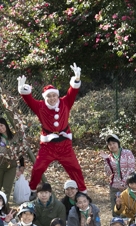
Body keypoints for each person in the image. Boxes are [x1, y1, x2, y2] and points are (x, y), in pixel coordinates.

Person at [18, 63, 87, 199]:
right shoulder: (40, 106)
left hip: (64, 144)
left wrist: (76, 79)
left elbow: (72, 91)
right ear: (45, 97)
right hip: (48, 145)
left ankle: (82, 191)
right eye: (48, 96)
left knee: (75, 168)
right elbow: (28, 99)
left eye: (54, 96)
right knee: (38, 168)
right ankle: (32, 190)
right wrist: (23, 90)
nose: (52, 98)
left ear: (57, 96)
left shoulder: (65, 102)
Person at [100, 133, 136, 215]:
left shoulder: (127, 153)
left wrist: (123, 183)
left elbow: (131, 169)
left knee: (128, 211)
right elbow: (108, 173)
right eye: (109, 144)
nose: (112, 146)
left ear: (118, 143)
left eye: (114, 143)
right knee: (116, 210)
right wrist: (106, 160)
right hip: (115, 187)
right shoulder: (109, 157)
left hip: (128, 186)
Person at [0, 117, 25, 200]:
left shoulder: (14, 137)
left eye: (1, 125)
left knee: (7, 189)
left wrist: (22, 165)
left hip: (11, 164)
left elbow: (20, 151)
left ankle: (4, 207)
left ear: (5, 124)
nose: (0, 128)